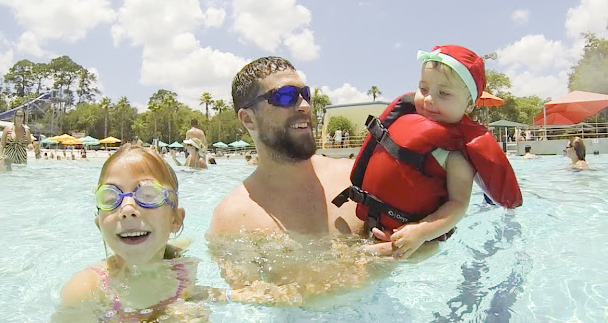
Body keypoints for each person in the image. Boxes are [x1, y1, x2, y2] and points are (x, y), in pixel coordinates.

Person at [209, 56, 382, 304]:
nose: (304, 106)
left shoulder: (355, 178)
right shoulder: (233, 218)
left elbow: (423, 244)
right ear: (248, 119)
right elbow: (249, 307)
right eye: (285, 96)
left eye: (305, 94)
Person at [333, 45, 522, 259]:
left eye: (443, 93)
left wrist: (421, 231)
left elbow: (458, 205)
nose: (429, 99)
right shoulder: (401, 123)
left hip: (417, 239)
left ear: (469, 105)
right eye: (423, 89)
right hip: (371, 219)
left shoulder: (455, 156)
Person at [55, 144, 220, 322]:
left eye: (148, 195)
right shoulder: (85, 290)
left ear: (175, 221)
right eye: (110, 199)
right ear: (99, 224)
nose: (127, 208)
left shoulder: (184, 267)